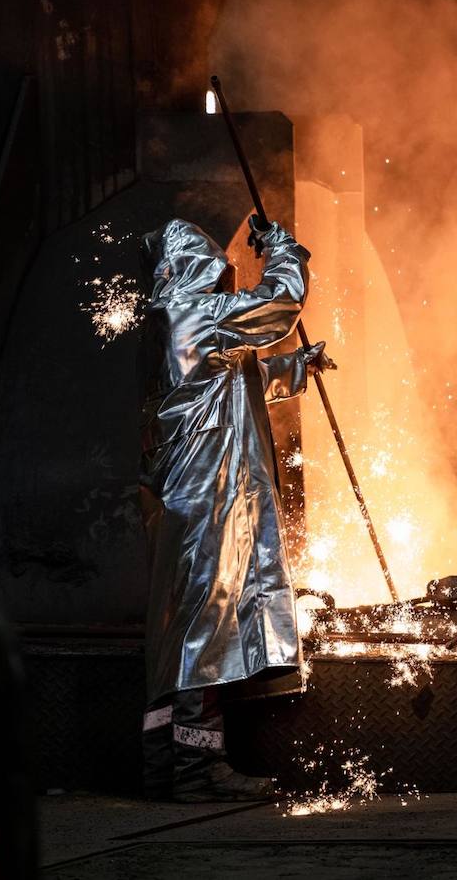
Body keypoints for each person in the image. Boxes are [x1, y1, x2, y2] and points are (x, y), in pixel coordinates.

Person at [136, 216, 334, 802]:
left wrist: (297, 369)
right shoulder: (195, 311)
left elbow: (228, 380)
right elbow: (280, 305)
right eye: (219, 275)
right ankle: (198, 771)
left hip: (190, 497)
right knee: (205, 630)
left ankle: (163, 763)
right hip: (208, 496)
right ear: (195, 271)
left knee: (182, 631)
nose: (226, 284)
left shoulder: (174, 320)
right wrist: (282, 249)